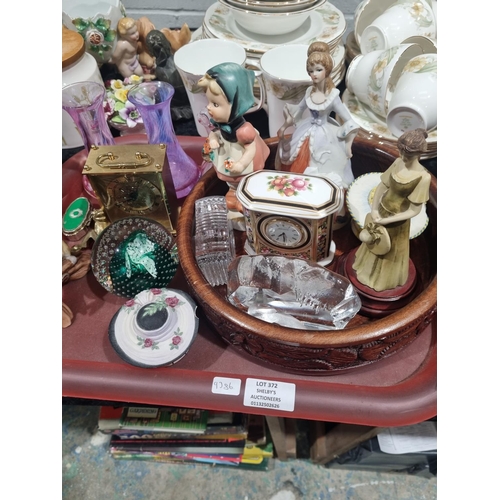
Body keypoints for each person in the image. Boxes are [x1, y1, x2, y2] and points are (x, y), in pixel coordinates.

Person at [352, 128, 431, 292]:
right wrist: (374, 209)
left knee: (389, 250)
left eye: (407, 155)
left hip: (398, 220)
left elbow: (414, 210)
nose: (403, 157)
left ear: (419, 154)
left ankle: (382, 281)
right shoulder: (397, 162)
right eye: (401, 152)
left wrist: (388, 220)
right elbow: (382, 186)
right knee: (372, 242)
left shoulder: (424, 177)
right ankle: (365, 270)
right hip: (381, 209)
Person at [277, 42, 359, 189]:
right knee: (295, 158)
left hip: (326, 136)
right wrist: (284, 127)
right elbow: (297, 111)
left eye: (318, 70)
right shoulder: (309, 92)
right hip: (306, 130)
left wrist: (348, 146)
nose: (314, 74)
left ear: (327, 70)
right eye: (311, 71)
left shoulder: (333, 96)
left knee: (327, 167)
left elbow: (350, 121)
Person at [198, 62, 270, 221]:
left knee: (246, 184)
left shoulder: (244, 131)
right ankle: (233, 195)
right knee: (231, 184)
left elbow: (250, 149)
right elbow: (214, 132)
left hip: (242, 163)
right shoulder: (220, 124)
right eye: (209, 102)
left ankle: (246, 201)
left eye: (215, 104)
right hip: (226, 156)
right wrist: (213, 139)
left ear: (237, 103)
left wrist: (241, 164)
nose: (209, 108)